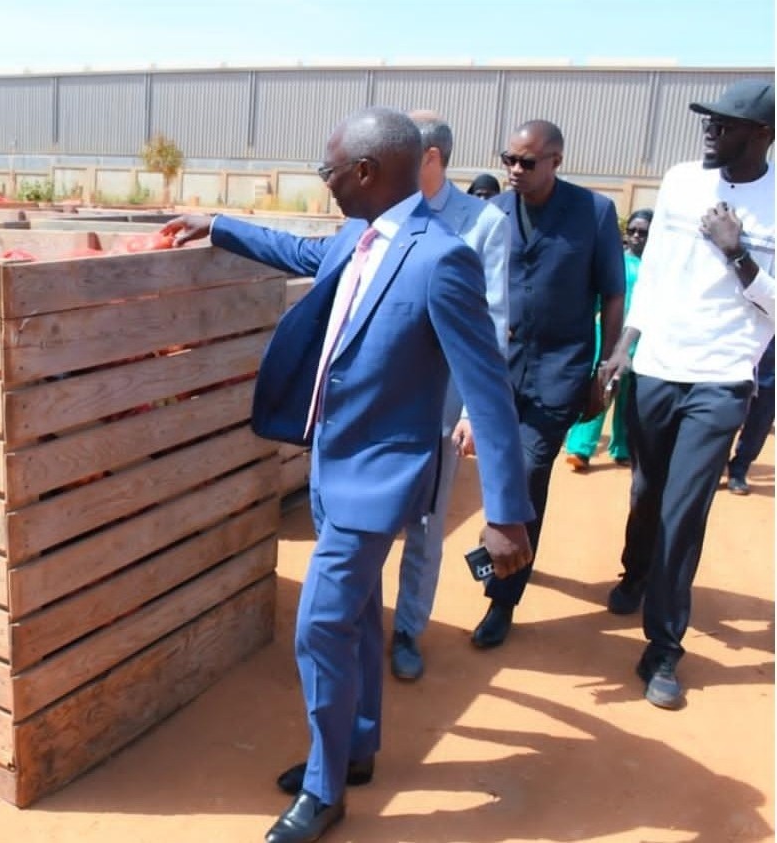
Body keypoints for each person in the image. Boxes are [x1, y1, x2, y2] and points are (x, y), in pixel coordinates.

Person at [161, 108, 534, 843]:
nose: (325, 183)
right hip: (331, 467)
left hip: (383, 477)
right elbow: (300, 251)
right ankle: (358, 746)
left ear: (366, 172)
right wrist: (220, 224)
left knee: (321, 626)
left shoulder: (440, 258)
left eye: (328, 171)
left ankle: (326, 790)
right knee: (360, 617)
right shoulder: (352, 241)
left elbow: (488, 390)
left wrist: (507, 511)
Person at [605, 78, 775, 709]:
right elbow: (656, 275)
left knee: (684, 511)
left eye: (725, 124)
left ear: (760, 135)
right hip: (658, 364)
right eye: (708, 121)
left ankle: (664, 650)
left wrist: (741, 258)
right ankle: (636, 570)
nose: (710, 131)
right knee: (647, 492)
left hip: (723, 376)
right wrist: (625, 345)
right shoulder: (679, 181)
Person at [471, 119, 627, 650]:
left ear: (556, 161)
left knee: (530, 467)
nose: (514, 170)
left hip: (561, 368)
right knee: (501, 465)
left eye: (527, 162)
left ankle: (502, 599)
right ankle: (502, 541)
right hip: (500, 368)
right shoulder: (493, 214)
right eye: (508, 159)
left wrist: (603, 371)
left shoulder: (595, 213)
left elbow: (611, 293)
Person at [389, 112, 510, 682]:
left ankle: (408, 630)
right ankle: (361, 624)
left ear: (431, 158)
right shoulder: (389, 212)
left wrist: (471, 415)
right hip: (382, 400)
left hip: (439, 405)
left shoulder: (482, 224)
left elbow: (494, 323)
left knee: (427, 525)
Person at [564, 208, 654, 470]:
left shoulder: (658, 268)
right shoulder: (616, 262)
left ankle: (622, 448)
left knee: (630, 399)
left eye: (643, 232)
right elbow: (599, 297)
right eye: (632, 231)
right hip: (610, 336)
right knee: (601, 389)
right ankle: (580, 449)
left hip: (643, 340)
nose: (637, 236)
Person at [726, 337, 775, 494]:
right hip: (740, 351)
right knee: (724, 412)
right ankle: (715, 462)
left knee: (761, 419)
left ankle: (739, 469)